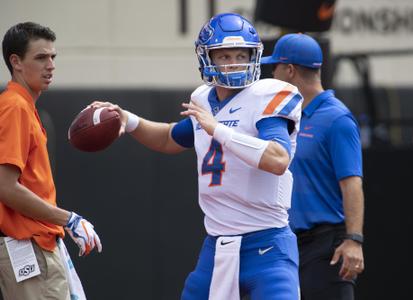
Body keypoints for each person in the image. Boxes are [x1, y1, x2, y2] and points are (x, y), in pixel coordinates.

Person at [92, 13, 303, 300]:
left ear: (254, 55)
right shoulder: (203, 99)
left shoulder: (266, 95)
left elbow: (278, 160)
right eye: (225, 55)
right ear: (208, 59)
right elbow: (169, 138)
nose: (234, 62)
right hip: (217, 246)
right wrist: (128, 120)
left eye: (241, 54)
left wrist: (218, 130)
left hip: (267, 245)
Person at [0, 22, 102, 300]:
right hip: (27, 247)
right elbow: (5, 187)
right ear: (16, 62)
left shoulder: (22, 106)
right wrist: (67, 219)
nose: (50, 65)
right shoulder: (15, 107)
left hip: (35, 245)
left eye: (53, 57)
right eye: (41, 57)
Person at [261, 33, 365, 300]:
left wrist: (354, 240)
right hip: (286, 245)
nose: (272, 74)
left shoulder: (336, 118)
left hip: (326, 247)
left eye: (275, 68)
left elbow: (352, 183)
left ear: (290, 71)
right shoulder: (281, 117)